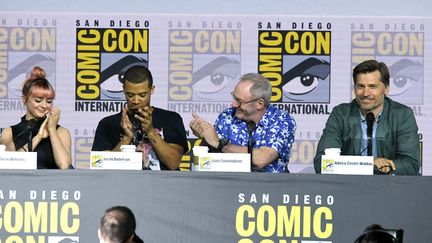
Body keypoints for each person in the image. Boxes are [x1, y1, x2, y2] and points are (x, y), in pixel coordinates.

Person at [314, 60, 420, 175]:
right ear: (354, 88)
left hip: (390, 188)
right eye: (360, 86)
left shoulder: (402, 115)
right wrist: (370, 163)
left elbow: (411, 165)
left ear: (386, 89)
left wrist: (382, 167)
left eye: (372, 86)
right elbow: (321, 164)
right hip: (350, 188)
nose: (365, 93)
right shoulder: (341, 114)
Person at [189, 73, 296, 173]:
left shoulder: (282, 120)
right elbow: (209, 157)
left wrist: (219, 143)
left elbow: (261, 159)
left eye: (239, 101)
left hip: (268, 189)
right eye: (234, 97)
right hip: (228, 185)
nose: (234, 104)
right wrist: (205, 135)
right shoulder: (227, 116)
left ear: (259, 104)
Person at [92, 64, 188, 170]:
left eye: (142, 95)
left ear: (152, 90)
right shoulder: (107, 124)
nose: (136, 101)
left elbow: (173, 163)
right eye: (130, 95)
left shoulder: (171, 119)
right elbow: (102, 168)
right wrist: (127, 138)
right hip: (122, 185)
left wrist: (150, 131)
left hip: (162, 185)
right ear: (124, 89)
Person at [0, 66, 72, 169]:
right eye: (38, 100)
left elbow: (64, 165)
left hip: (53, 185)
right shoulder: (9, 132)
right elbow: (11, 167)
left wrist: (51, 129)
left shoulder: (61, 132)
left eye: (49, 101)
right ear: (24, 99)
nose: (44, 105)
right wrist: (38, 137)